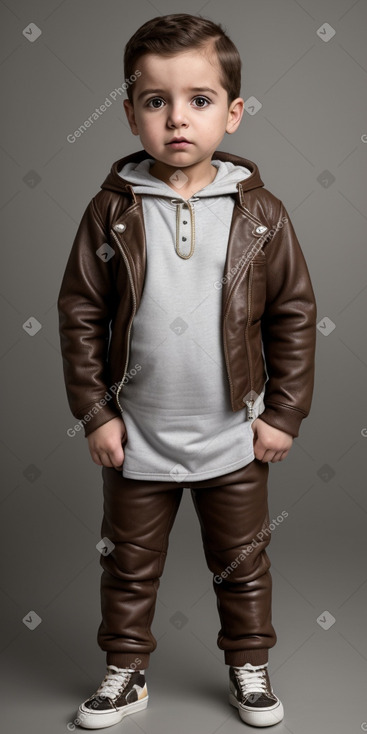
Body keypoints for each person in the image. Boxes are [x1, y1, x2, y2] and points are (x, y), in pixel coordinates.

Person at [58, 12, 316, 729]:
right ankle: (125, 672)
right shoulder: (111, 211)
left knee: (242, 565)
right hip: (136, 435)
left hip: (234, 434)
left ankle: (248, 666)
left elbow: (292, 313)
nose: (177, 118)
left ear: (232, 113)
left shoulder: (260, 213)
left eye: (199, 100)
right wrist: (96, 414)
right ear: (130, 114)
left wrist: (283, 413)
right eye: (155, 101)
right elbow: (80, 312)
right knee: (128, 567)